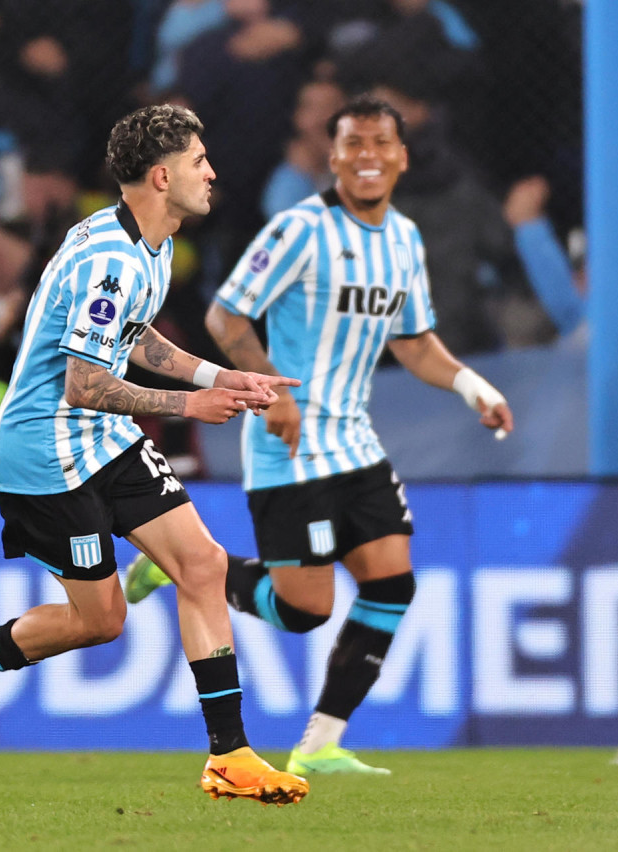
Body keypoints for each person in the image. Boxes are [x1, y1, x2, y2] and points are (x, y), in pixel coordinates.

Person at [0, 104, 309, 806]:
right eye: (199, 161)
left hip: (100, 439)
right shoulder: (110, 259)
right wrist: (190, 406)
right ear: (162, 175)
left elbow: (135, 341)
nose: (212, 172)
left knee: (203, 563)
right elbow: (84, 381)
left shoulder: (148, 241)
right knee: (101, 621)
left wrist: (215, 376)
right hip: (44, 453)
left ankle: (231, 756)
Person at [125, 94, 514, 775]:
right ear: (332, 158)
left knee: (392, 584)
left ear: (401, 156)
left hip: (355, 442)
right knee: (305, 609)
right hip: (290, 444)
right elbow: (226, 317)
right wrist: (269, 387)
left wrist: (473, 388)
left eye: (380, 144)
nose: (367, 156)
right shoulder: (300, 229)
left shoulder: (404, 239)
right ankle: (175, 566)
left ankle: (320, 744)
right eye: (353, 145)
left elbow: (416, 343)